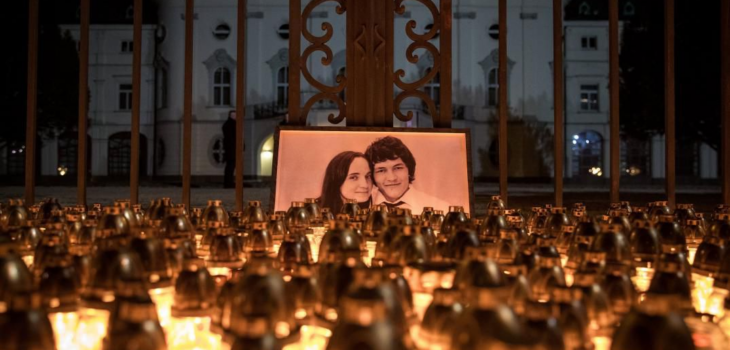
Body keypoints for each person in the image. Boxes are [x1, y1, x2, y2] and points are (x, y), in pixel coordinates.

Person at [364, 136, 449, 214]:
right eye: (381, 170)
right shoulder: (361, 207)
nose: (392, 178)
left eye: (398, 168)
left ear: (409, 169)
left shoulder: (441, 208)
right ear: (372, 176)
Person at [222, 110, 237, 188]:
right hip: (231, 149)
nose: (235, 117)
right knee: (230, 166)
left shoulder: (230, 124)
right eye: (233, 115)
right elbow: (231, 138)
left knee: (231, 166)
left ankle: (229, 182)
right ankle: (228, 183)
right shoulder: (229, 125)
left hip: (231, 149)